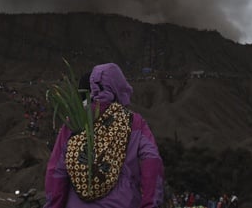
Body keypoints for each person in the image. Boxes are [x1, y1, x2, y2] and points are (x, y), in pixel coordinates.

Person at [45, 63, 165, 207]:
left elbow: (56, 172)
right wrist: (150, 204)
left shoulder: (74, 123)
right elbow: (152, 160)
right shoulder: (133, 122)